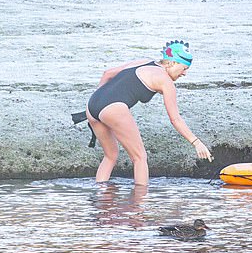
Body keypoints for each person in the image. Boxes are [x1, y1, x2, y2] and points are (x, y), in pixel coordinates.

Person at [86, 40, 213, 186]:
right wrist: (196, 143)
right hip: (114, 109)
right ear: (172, 63)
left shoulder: (144, 61)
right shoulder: (165, 81)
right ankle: (140, 204)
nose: (185, 73)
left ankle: (101, 197)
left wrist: (100, 103)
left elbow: (107, 73)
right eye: (184, 68)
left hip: (92, 106)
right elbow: (175, 119)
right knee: (140, 157)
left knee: (110, 156)